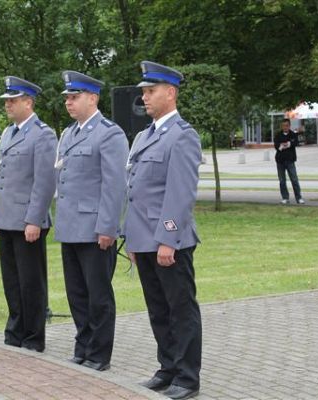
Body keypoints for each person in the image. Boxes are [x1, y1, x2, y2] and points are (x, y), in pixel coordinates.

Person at [123, 61, 202, 400]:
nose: (145, 98)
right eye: (143, 92)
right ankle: (167, 367)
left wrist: (167, 239)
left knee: (180, 310)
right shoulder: (145, 135)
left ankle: (186, 377)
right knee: (158, 310)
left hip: (170, 241)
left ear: (170, 93)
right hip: (143, 239)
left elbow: (180, 194)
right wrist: (132, 238)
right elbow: (134, 189)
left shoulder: (183, 136)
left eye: (150, 91)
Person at [55, 70, 129, 371]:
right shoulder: (69, 133)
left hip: (95, 228)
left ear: (93, 98)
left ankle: (99, 353)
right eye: (67, 99)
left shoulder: (109, 133)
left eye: (75, 97)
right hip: (70, 226)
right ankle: (83, 345)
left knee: (98, 295)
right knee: (76, 293)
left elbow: (114, 186)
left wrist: (107, 227)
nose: (69, 103)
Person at [0, 76, 57, 352]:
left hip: (28, 221)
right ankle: (15, 331)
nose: (8, 105)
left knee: (31, 282)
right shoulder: (9, 133)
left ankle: (32, 336)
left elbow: (44, 182)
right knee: (12, 280)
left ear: (28, 102)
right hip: (7, 218)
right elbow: (3, 180)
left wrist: (34, 219)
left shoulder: (42, 134)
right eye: (7, 101)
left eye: (13, 100)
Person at [274, 118, 305, 205]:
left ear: (289, 126)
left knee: (294, 179)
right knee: (282, 181)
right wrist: (282, 145)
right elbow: (277, 146)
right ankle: (285, 197)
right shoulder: (278, 135)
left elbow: (295, 143)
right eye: (283, 126)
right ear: (281, 126)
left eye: (287, 126)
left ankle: (299, 198)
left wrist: (288, 144)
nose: (285, 127)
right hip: (280, 161)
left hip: (290, 160)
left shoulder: (293, 134)